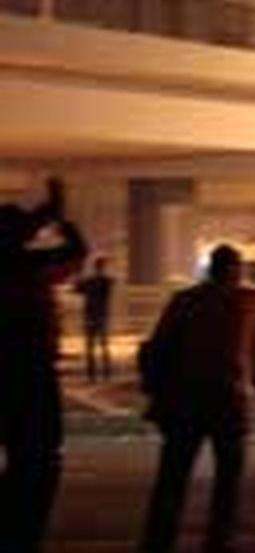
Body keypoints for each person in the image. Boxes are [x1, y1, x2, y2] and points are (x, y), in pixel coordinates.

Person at [139, 238, 255, 553]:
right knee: (226, 485)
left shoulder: (183, 301)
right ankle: (218, 544)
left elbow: (158, 346)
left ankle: (157, 543)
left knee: (172, 481)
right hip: (226, 402)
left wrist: (158, 393)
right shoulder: (241, 301)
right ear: (234, 271)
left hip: (183, 403)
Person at [0, 177, 89, 553]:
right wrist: (58, 216)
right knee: (39, 459)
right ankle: (20, 536)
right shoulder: (29, 265)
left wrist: (46, 213)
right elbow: (76, 252)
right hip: (30, 372)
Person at [74, 256, 116, 382]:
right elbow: (112, 283)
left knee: (90, 346)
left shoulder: (89, 282)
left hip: (89, 316)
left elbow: (77, 289)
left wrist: (80, 274)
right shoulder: (106, 281)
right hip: (101, 316)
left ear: (94, 267)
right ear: (103, 267)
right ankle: (107, 373)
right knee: (103, 345)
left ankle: (91, 375)